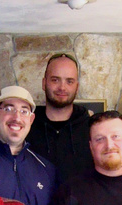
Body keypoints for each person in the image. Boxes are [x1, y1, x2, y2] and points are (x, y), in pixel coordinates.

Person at [26, 53, 93, 181]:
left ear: (77, 87)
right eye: (55, 80)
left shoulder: (91, 128)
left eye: (69, 81)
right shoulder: (26, 126)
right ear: (44, 83)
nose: (62, 87)